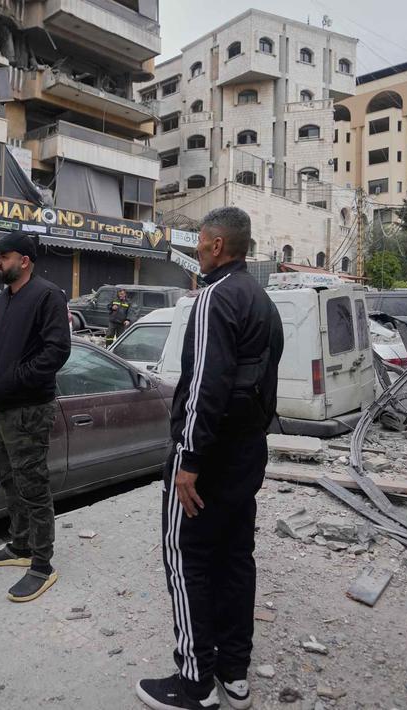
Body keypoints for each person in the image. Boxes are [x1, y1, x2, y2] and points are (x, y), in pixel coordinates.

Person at [135, 207, 284, 710]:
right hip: (246, 456)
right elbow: (265, 386)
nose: (197, 249)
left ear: (217, 246)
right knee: (235, 559)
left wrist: (190, 462)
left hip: (209, 461)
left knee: (187, 558)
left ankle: (195, 681)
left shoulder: (213, 299)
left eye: (200, 241)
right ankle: (233, 673)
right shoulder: (263, 300)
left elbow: (204, 388)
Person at [0, 231, 71, 603]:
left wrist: (15, 380)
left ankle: (42, 563)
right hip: (1, 407)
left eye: (4, 256)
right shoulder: (2, 301)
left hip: (30, 408)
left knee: (33, 484)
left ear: (25, 261)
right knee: (10, 479)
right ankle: (19, 545)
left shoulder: (47, 296)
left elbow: (56, 352)